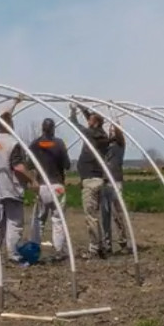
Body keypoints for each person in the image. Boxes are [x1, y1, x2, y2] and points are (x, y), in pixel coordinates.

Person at [0, 95, 35, 263]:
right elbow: (18, 166)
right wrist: (32, 179)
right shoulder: (13, 143)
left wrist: (14, 103)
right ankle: (13, 254)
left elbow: (4, 115)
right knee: (14, 222)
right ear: (11, 125)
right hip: (12, 188)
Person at [69, 103, 110, 258]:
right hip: (98, 179)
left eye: (90, 121)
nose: (88, 122)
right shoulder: (102, 135)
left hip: (90, 181)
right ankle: (100, 245)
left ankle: (94, 248)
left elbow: (74, 123)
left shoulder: (90, 134)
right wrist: (83, 109)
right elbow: (93, 121)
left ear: (96, 123)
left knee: (90, 216)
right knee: (94, 215)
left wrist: (73, 111)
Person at [28, 117, 71, 262]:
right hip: (57, 186)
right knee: (58, 219)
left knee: (39, 220)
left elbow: (29, 165)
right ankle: (59, 251)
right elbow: (67, 165)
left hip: (42, 186)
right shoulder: (59, 143)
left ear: (42, 128)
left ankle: (34, 250)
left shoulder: (35, 144)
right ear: (53, 129)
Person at [101, 118, 129, 254]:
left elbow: (118, 135)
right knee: (105, 215)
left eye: (113, 129)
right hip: (104, 182)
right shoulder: (106, 145)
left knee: (117, 214)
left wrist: (115, 122)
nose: (111, 131)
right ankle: (107, 244)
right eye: (110, 129)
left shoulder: (120, 143)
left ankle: (123, 242)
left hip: (115, 181)